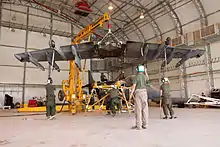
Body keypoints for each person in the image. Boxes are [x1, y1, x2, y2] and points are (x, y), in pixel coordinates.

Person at [129, 65, 149, 130]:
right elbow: (148, 79)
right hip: (145, 93)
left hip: (138, 93)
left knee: (138, 110)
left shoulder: (136, 77)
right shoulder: (145, 76)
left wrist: (131, 95)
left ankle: (139, 126)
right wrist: (146, 72)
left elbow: (134, 86)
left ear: (137, 70)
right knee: (145, 109)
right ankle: (145, 124)